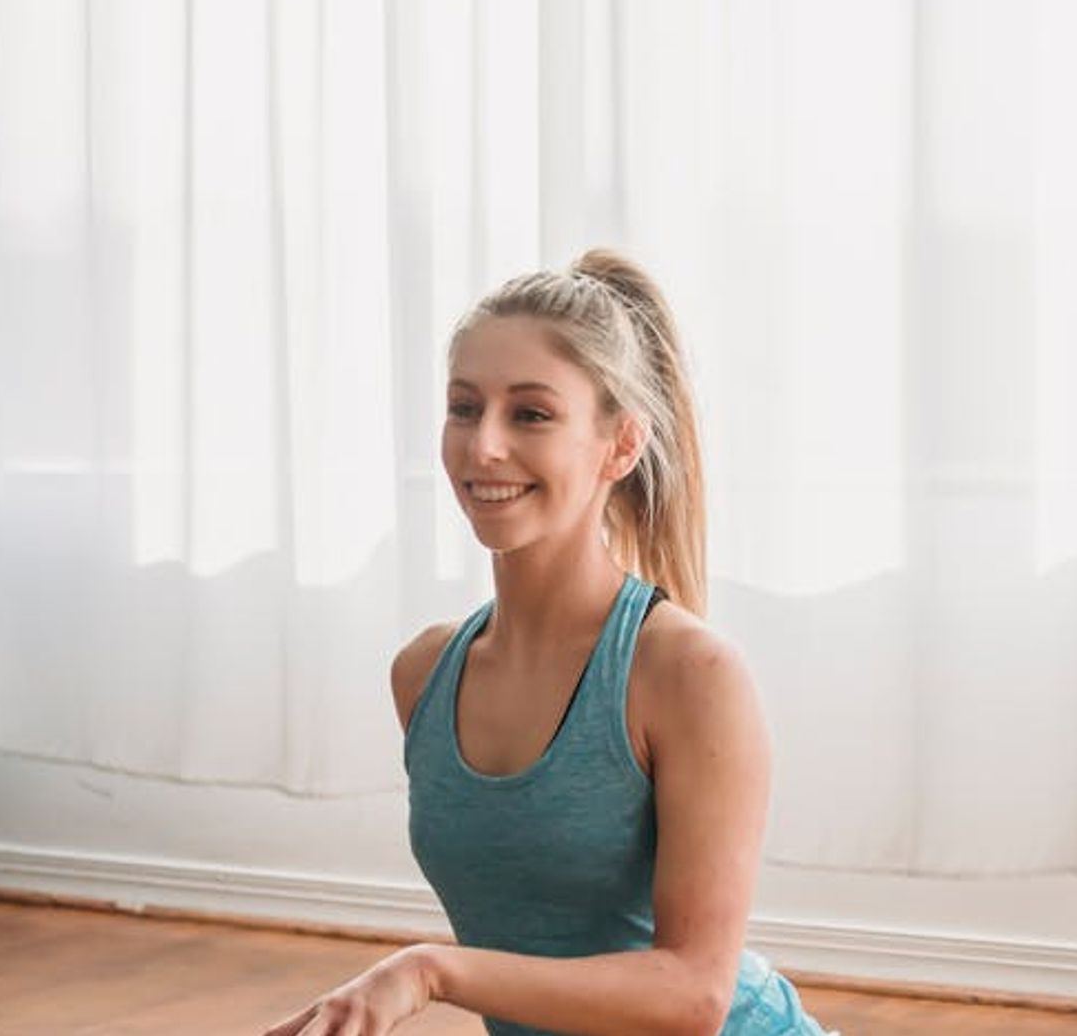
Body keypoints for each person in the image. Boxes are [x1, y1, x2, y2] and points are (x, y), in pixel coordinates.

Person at [265, 250, 833, 1036]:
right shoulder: (425, 675)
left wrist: (430, 970)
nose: (483, 446)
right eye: (464, 408)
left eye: (530, 414)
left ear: (621, 446)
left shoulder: (688, 673)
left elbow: (695, 996)